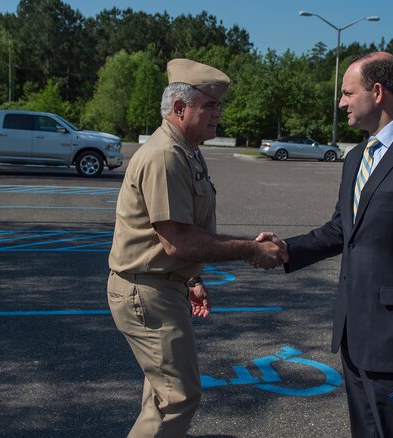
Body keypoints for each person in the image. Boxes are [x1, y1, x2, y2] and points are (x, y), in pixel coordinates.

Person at [257, 52, 393, 437]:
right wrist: (286, 250)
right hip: (355, 334)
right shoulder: (357, 156)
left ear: (377, 92)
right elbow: (342, 229)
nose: (341, 103)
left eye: (347, 93)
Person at [107, 58, 286, 437]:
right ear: (178, 108)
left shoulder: (186, 149)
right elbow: (179, 241)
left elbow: (185, 230)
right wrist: (250, 250)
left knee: (162, 396)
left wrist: (193, 279)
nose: (217, 114)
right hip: (148, 292)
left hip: (162, 287)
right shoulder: (166, 155)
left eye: (218, 106)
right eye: (209, 106)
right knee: (178, 398)